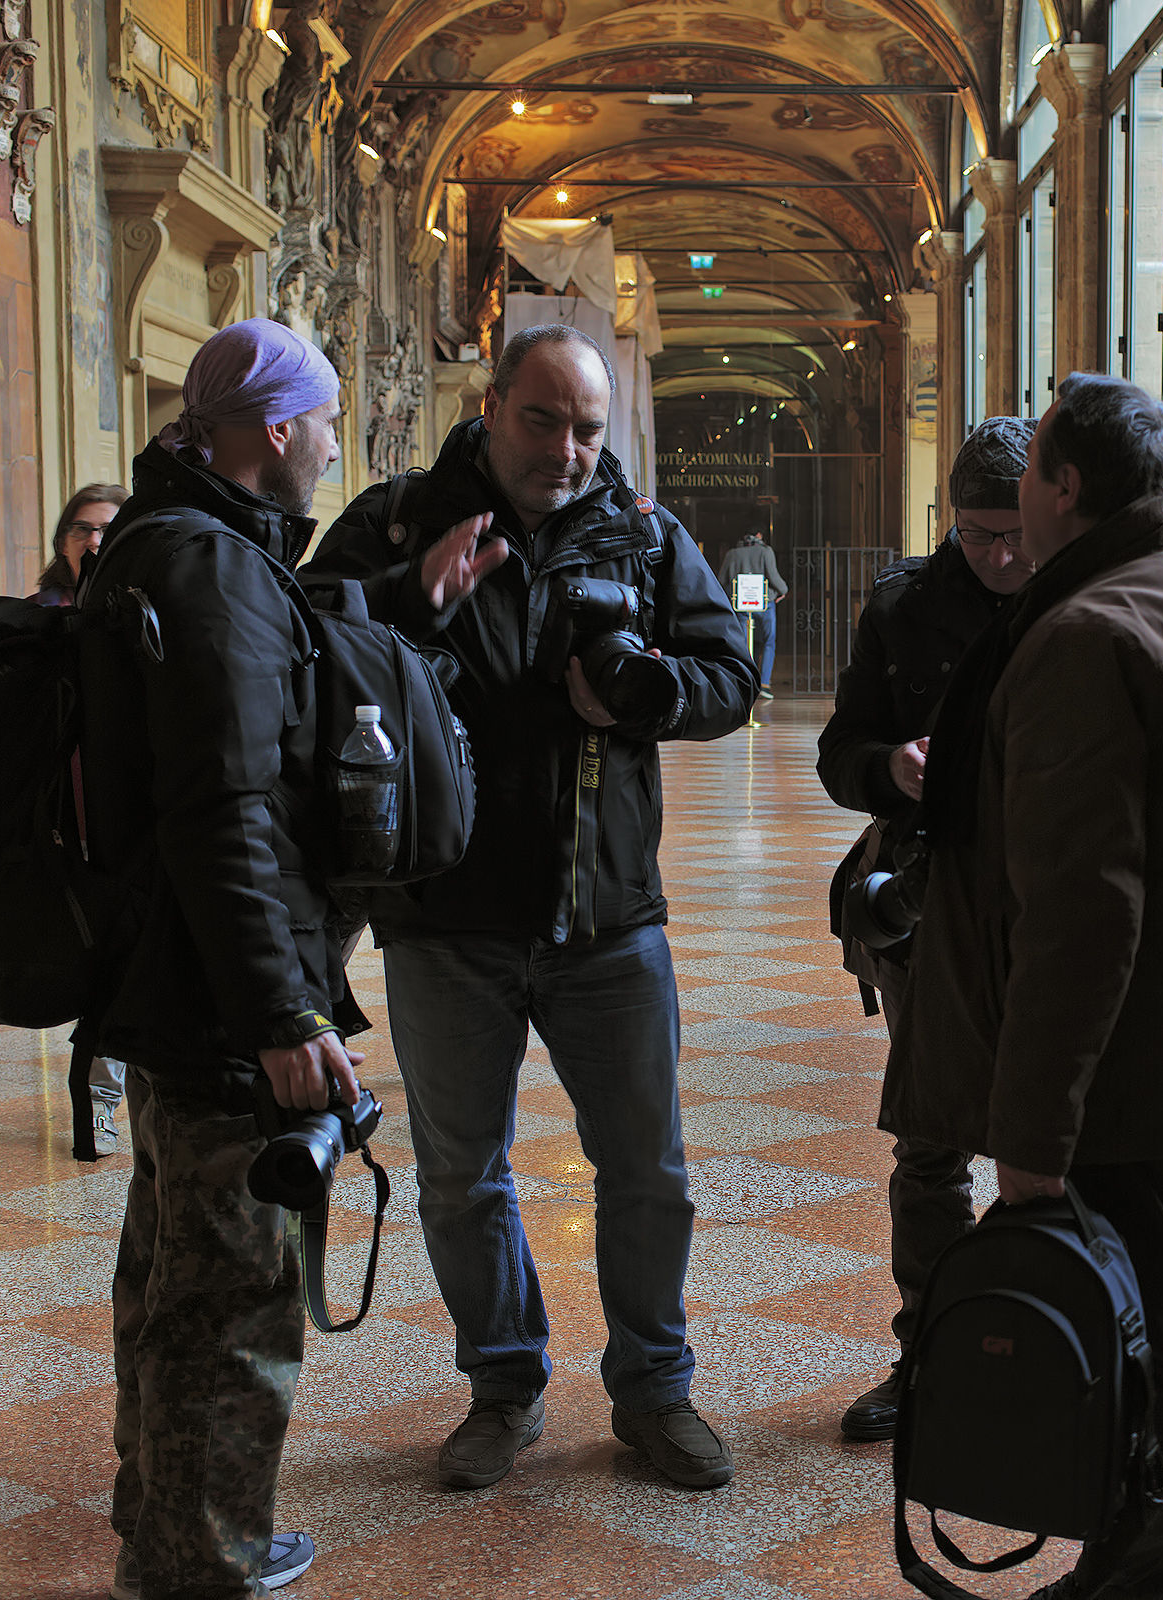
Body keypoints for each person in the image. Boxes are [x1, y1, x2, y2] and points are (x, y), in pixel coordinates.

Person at [885, 374, 1163, 1600]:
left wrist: (1032, 1136)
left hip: (1143, 1053)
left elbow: (1083, 916)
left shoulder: (1088, 634)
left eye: (1027, 472)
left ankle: (1153, 1568)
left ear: (1068, 484)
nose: (1013, 498)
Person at [77, 320, 499, 1598]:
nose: (334, 445)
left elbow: (273, 648)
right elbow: (227, 811)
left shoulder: (171, 541)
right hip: (222, 1001)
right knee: (235, 1293)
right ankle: (204, 1558)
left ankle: (156, 1514)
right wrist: (283, 1008)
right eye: (324, 421)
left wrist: (395, 604)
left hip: (163, 983)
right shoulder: (207, 567)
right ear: (274, 430)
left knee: (167, 1261)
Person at [305, 324, 757, 1494]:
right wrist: (410, 595)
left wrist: (648, 695)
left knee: (647, 1170)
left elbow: (730, 677)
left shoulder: (647, 534)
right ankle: (503, 1386)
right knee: (464, 1174)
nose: (567, 450)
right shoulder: (400, 518)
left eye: (589, 429)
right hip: (447, 918)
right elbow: (300, 641)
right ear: (492, 402)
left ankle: (656, 1390)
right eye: (544, 420)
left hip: (608, 916)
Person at [815, 414, 1036, 1442]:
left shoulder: (1085, 589)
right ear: (952, 522)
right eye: (981, 535)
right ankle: (932, 1352)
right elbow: (839, 748)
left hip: (1051, 902)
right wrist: (888, 771)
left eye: (1015, 534)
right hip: (928, 902)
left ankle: (1048, 1346)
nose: (1000, 556)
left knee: (1055, 1142)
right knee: (933, 1144)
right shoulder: (905, 603)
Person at [34, 482, 132, 1160]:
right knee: (103, 966)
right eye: (82, 528)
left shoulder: (146, 610)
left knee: (124, 966)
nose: (94, 540)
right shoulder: (37, 620)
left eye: (108, 528)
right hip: (64, 824)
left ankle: (100, 1095)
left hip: (128, 821)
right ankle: (96, 1099)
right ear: (62, 540)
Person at [715, 526, 790, 697]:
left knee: (744, 644)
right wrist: (783, 590)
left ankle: (747, 683)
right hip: (764, 604)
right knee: (768, 642)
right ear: (759, 535)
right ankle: (764, 683)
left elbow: (720, 581)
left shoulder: (732, 554)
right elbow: (774, 577)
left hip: (741, 605)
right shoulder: (766, 551)